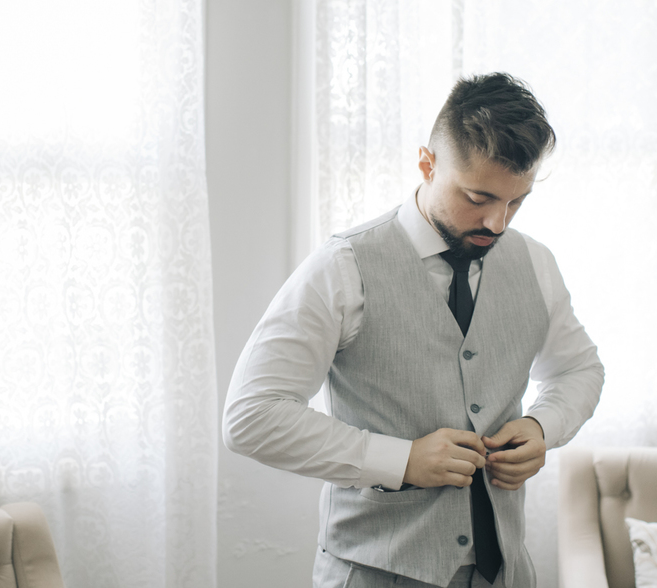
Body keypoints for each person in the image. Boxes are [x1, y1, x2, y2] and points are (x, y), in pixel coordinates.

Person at [223, 72, 603, 588]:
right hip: (375, 571)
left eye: (516, 202)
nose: (496, 222)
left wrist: (543, 427)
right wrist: (400, 460)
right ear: (427, 163)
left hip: (507, 574)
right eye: (478, 196)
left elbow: (579, 368)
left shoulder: (535, 262)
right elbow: (251, 415)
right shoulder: (343, 266)